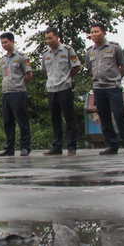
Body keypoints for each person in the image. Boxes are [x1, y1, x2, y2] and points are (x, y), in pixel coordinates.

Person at [85, 23, 124, 155]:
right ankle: (111, 145)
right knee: (104, 117)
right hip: (98, 88)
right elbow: (90, 69)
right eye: (92, 32)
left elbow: (123, 66)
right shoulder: (90, 51)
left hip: (113, 87)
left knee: (119, 115)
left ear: (103, 33)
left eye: (96, 32)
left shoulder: (115, 47)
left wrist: (117, 79)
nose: (93, 34)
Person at [40, 27, 82, 156]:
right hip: (51, 89)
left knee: (69, 118)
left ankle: (71, 147)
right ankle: (57, 146)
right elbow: (45, 71)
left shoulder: (68, 50)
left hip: (64, 89)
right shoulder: (45, 53)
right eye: (46, 39)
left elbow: (77, 67)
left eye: (50, 38)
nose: (48, 41)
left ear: (57, 37)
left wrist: (67, 78)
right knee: (55, 119)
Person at [0, 33, 33, 157]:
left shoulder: (22, 57)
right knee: (7, 122)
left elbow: (29, 74)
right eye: (2, 43)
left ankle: (25, 147)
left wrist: (22, 86)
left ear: (12, 41)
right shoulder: (3, 59)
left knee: (22, 121)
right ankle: (9, 148)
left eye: (6, 42)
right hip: (6, 93)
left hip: (18, 93)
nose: (4, 45)